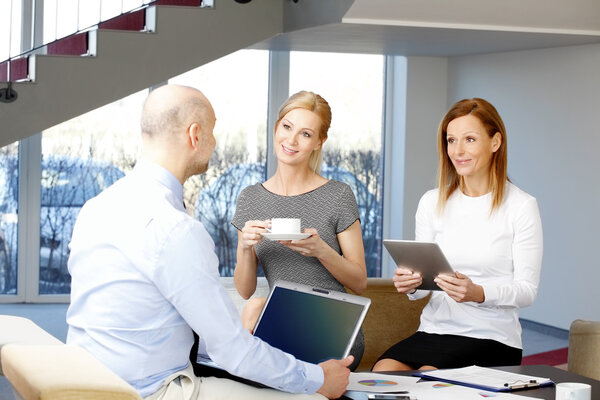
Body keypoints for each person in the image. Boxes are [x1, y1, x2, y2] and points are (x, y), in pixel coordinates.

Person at [66, 84, 353, 400]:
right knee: (312, 397)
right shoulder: (175, 229)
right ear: (195, 135)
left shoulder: (97, 207)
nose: (215, 143)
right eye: (212, 131)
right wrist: (318, 379)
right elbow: (233, 351)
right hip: (152, 391)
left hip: (89, 381)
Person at [373, 98, 543, 372]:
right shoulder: (431, 202)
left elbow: (527, 291)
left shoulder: (521, 206)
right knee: (383, 374)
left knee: (428, 379)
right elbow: (422, 289)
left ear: (495, 142)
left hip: (493, 337)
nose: (458, 150)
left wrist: (478, 293)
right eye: (451, 140)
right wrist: (412, 284)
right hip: (434, 329)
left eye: (470, 139)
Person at [231, 90, 367, 370]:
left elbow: (359, 282)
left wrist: (321, 251)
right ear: (276, 128)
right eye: (287, 127)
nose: (291, 140)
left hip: (331, 324)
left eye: (305, 134)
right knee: (254, 305)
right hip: (279, 322)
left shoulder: (338, 195)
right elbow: (244, 290)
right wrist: (245, 246)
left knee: (256, 311)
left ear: (319, 142)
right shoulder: (250, 198)